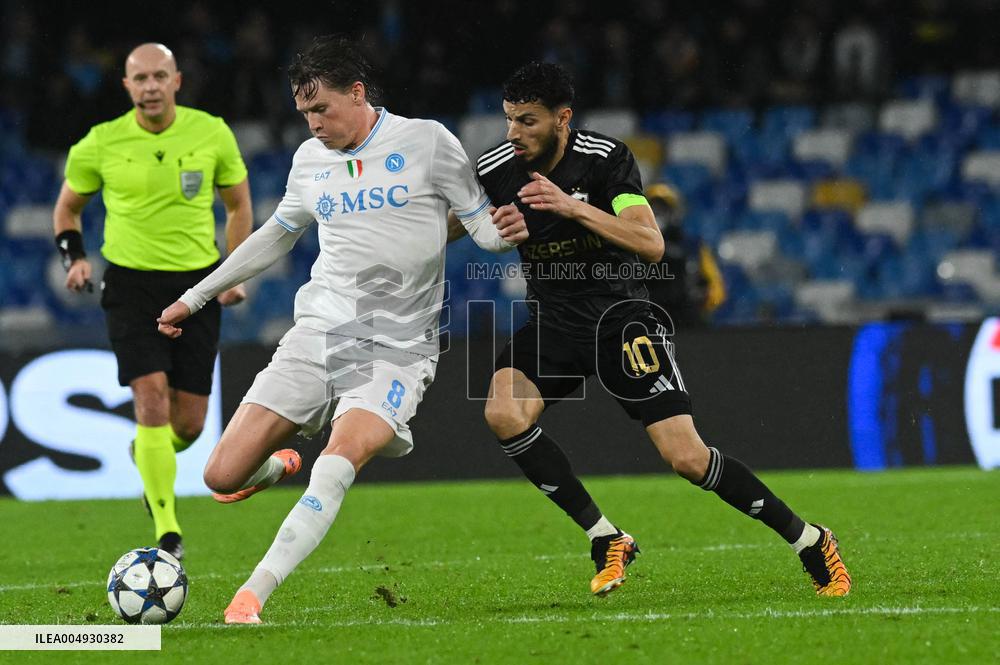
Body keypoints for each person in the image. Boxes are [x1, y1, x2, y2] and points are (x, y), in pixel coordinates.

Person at [156, 35, 527, 624]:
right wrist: (195, 297)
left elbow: (482, 233)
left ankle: (252, 595)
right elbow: (277, 234)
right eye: (303, 113)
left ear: (357, 93)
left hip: (398, 346)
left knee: (341, 454)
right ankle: (280, 465)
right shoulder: (310, 161)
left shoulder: (427, 142)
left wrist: (509, 228)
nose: (312, 124)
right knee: (220, 475)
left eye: (321, 109)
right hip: (319, 332)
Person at [471, 62, 851, 598]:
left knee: (688, 459)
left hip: (621, 319)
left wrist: (571, 209)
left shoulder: (606, 160)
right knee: (503, 413)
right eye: (509, 120)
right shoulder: (497, 166)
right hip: (553, 322)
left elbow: (650, 244)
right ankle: (607, 538)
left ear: (563, 118)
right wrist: (483, 227)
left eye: (527, 122)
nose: (513, 134)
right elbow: (460, 220)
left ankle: (810, 539)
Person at [53, 43, 253, 560]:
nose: (150, 87)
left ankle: (149, 454)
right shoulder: (100, 143)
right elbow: (68, 209)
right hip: (130, 286)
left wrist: (233, 269)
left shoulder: (211, 132)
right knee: (151, 401)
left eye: (159, 76)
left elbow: (238, 205)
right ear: (126, 86)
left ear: (177, 81)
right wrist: (73, 258)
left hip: (198, 285)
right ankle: (168, 531)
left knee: (186, 424)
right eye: (139, 78)